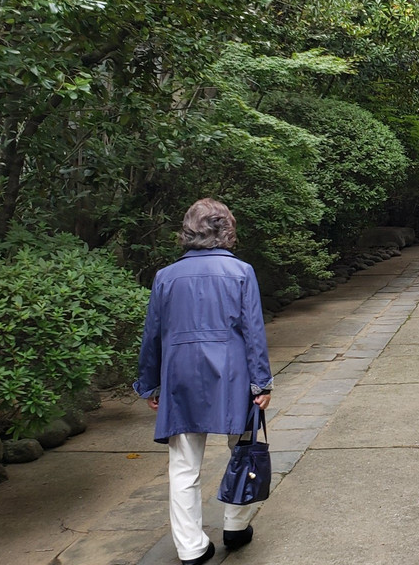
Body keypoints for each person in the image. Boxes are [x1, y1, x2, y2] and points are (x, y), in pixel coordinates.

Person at [134, 198, 273, 565]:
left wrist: (150, 385)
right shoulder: (241, 272)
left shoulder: (166, 276)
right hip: (232, 375)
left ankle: (191, 548)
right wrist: (262, 384)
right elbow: (253, 332)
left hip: (179, 376)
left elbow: (154, 335)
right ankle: (235, 526)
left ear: (188, 230)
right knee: (244, 450)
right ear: (227, 229)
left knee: (183, 466)